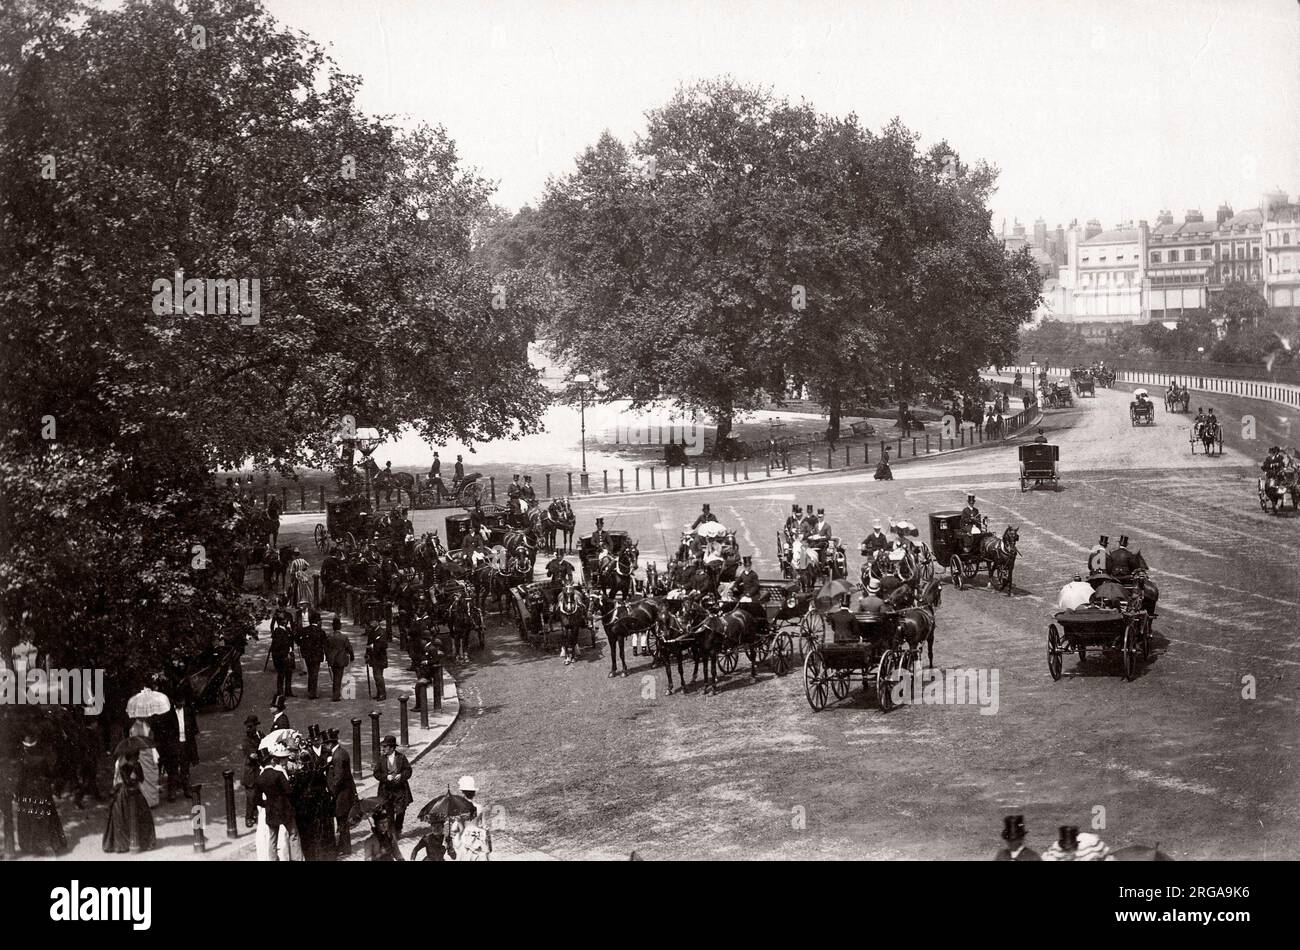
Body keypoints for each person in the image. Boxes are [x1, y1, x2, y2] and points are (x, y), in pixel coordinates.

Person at [13, 734, 67, 856]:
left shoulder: (23, 760)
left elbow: (20, 779)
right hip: (42, 791)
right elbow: (49, 775)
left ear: (25, 747)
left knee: (28, 818)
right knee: (45, 816)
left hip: (27, 792)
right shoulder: (42, 759)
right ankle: (51, 843)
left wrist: (17, 793)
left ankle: (30, 846)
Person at [102, 750, 157, 853]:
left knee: (143, 814)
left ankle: (142, 841)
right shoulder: (122, 765)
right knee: (123, 816)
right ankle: (124, 844)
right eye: (134, 758)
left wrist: (137, 770)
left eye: (137, 757)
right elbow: (126, 782)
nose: (136, 759)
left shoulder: (137, 765)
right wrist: (132, 773)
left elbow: (141, 779)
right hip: (124, 793)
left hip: (135, 791)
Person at [255, 748, 300, 861]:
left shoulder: (260, 779)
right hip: (285, 808)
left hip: (271, 810)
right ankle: (297, 858)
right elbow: (289, 791)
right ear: (271, 761)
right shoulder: (278, 774)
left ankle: (273, 859)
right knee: (293, 834)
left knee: (272, 838)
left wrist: (266, 803)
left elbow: (257, 799)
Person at [323, 729, 358, 857]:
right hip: (344, 793)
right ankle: (344, 846)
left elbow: (338, 778)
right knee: (343, 821)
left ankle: (344, 848)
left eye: (326, 744)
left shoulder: (338, 756)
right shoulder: (340, 753)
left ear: (330, 744)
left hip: (341, 795)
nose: (325, 746)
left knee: (342, 821)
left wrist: (331, 792)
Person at [374, 735, 413, 835]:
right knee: (388, 813)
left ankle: (398, 829)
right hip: (386, 790)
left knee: (400, 811)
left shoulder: (401, 757)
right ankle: (391, 833)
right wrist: (386, 777)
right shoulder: (381, 759)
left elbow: (408, 770)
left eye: (385, 747)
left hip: (400, 790)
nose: (383, 749)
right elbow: (376, 773)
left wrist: (401, 775)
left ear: (392, 748)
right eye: (383, 746)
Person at [299, 611, 326, 700]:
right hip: (317, 655)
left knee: (311, 672)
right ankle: (312, 693)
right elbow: (324, 643)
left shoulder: (304, 630)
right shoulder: (321, 631)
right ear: (318, 621)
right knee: (314, 673)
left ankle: (310, 689)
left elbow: (297, 638)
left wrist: (303, 646)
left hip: (307, 654)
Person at [325, 616, 353, 702]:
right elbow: (349, 648)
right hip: (341, 659)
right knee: (338, 677)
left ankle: (335, 692)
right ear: (340, 626)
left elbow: (326, 648)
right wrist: (352, 657)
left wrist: (328, 657)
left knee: (335, 676)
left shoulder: (329, 637)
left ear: (333, 626)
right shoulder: (344, 637)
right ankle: (336, 695)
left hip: (332, 660)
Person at [270, 611, 296, 698]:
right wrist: (285, 654)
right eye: (283, 620)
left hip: (290, 655)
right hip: (282, 656)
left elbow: (292, 639)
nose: (285, 621)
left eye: (286, 620)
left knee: (289, 673)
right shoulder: (278, 631)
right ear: (279, 621)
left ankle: (288, 691)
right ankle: (280, 692)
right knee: (281, 674)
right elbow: (277, 647)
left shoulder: (288, 630)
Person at [365, 621, 389, 701]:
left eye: (373, 622)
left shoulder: (382, 632)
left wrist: (374, 646)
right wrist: (367, 654)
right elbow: (368, 644)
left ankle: (382, 694)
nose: (371, 624)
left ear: (377, 623)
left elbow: (384, 645)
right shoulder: (372, 632)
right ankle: (379, 693)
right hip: (373, 657)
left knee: (379, 676)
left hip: (380, 658)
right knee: (376, 676)